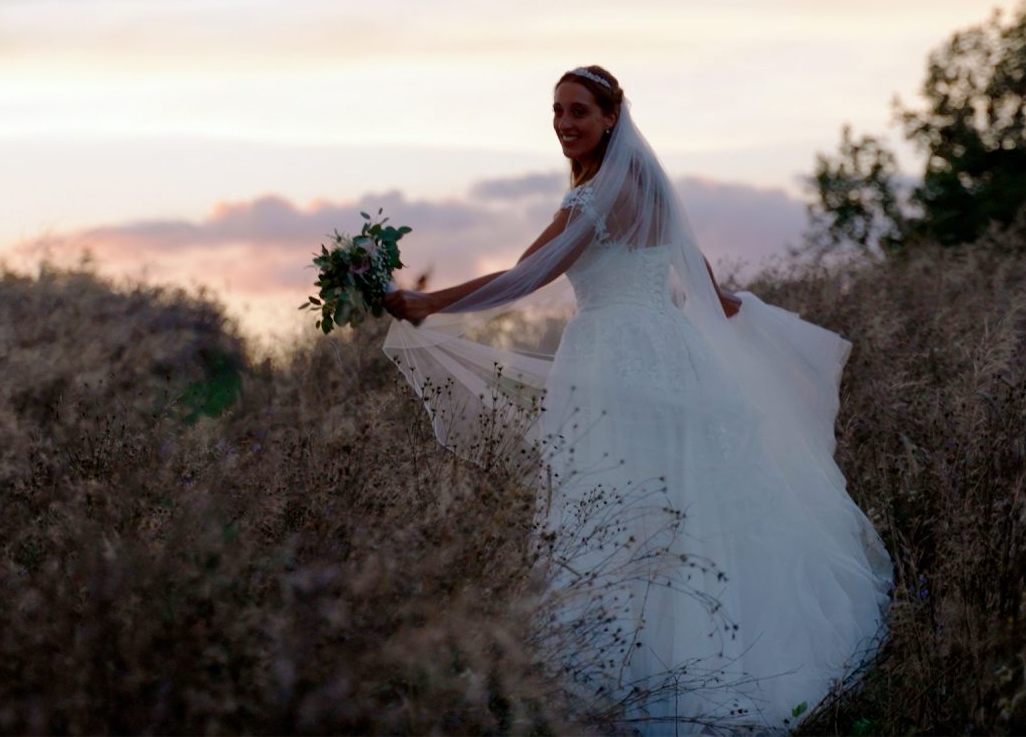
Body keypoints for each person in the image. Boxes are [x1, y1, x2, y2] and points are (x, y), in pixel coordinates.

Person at [381, 66, 895, 734]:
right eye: (557, 112)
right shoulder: (653, 189)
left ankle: (647, 683)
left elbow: (524, 277)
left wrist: (427, 302)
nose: (566, 124)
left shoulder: (592, 199)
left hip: (611, 363)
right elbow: (708, 287)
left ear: (610, 119)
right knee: (686, 506)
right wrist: (748, 322)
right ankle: (698, 661)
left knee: (622, 508)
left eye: (580, 113)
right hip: (673, 355)